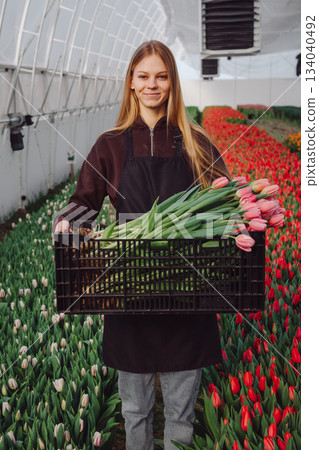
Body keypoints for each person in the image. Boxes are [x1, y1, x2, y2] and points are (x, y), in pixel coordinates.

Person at [54, 40, 230, 450]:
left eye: (162, 76)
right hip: (128, 292)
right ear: (131, 83)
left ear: (172, 83)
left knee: (181, 418)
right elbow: (84, 202)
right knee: (134, 414)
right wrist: (68, 223)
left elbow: (226, 200)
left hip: (186, 293)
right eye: (144, 76)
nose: (153, 85)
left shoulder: (196, 143)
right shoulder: (110, 145)